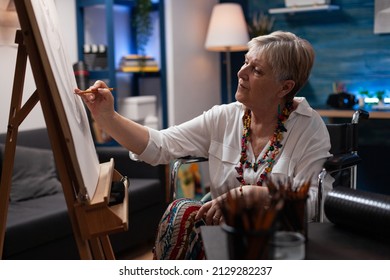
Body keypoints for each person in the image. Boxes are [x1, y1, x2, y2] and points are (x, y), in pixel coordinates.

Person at [75, 30, 333, 259]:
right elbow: (161, 145)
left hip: (279, 235)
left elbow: (316, 201)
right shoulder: (224, 116)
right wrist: (107, 116)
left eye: (256, 70)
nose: (241, 73)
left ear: (285, 87)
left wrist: (250, 195)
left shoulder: (309, 129)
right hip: (223, 227)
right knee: (182, 210)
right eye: (245, 62)